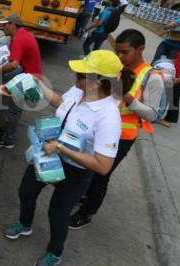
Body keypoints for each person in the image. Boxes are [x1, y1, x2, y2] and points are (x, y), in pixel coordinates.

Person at [4, 50, 128, 266]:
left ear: (97, 82)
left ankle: (55, 252)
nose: (75, 75)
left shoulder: (108, 117)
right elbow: (61, 103)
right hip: (47, 154)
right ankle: (24, 224)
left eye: (81, 74)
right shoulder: (79, 90)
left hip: (75, 173)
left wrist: (62, 148)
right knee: (26, 191)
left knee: (58, 215)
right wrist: (39, 85)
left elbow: (103, 166)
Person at [69, 29, 164, 229]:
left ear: (141, 49)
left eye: (125, 52)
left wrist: (127, 97)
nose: (120, 56)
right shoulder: (116, 68)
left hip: (121, 137)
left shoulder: (153, 78)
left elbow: (154, 114)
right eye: (117, 51)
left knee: (101, 175)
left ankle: (87, 213)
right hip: (97, 129)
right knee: (88, 169)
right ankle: (84, 195)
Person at [0, 13, 42, 149]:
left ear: (12, 25)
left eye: (5, 24)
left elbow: (13, 64)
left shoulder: (18, 39)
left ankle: (8, 140)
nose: (2, 27)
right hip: (29, 76)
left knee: (14, 111)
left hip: (28, 81)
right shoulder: (25, 35)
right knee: (13, 110)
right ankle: (7, 132)